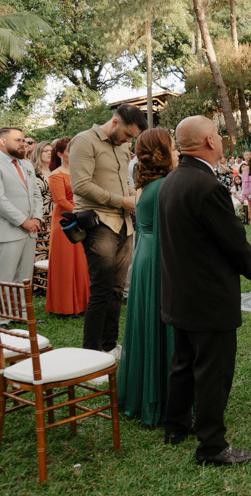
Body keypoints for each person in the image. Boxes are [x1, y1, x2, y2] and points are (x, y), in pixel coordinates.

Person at [159, 116, 251, 466]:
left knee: (183, 363)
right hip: (208, 294)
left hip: (179, 291)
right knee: (213, 371)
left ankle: (175, 425)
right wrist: (247, 264)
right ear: (209, 143)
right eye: (217, 135)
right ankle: (212, 446)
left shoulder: (172, 179)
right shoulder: (206, 185)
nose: (220, 140)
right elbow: (232, 238)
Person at [70, 103, 147, 356]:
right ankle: (90, 353)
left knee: (116, 289)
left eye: (132, 138)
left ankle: (109, 346)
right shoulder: (84, 141)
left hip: (124, 222)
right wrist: (121, 201)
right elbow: (80, 185)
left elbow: (124, 181)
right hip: (98, 223)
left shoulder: (123, 148)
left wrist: (133, 200)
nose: (129, 141)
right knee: (101, 289)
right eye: (127, 135)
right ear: (115, 123)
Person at [119, 128, 180, 426]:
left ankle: (148, 392)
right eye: (173, 147)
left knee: (149, 322)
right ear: (161, 152)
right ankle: (163, 397)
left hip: (146, 254)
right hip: (158, 257)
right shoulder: (164, 185)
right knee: (163, 321)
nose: (178, 152)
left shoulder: (150, 183)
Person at [0, 127, 43, 322]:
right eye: (18, 140)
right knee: (4, 278)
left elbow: (36, 194)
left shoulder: (27, 165)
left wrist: (37, 219)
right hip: (5, 231)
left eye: (23, 140)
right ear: (3, 142)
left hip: (29, 230)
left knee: (24, 277)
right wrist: (23, 221)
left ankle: (21, 315)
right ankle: (2, 320)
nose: (23, 144)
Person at [45, 138, 90, 315]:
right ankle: (64, 306)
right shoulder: (56, 174)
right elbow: (60, 200)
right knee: (65, 262)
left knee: (82, 261)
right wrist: (81, 214)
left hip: (80, 216)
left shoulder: (80, 171)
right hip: (65, 221)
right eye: (70, 151)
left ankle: (82, 303)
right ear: (60, 154)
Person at [30, 141, 53, 219]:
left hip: (57, 214)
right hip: (39, 215)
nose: (49, 153)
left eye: (51, 151)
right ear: (38, 153)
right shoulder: (32, 172)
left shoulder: (56, 171)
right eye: (46, 151)